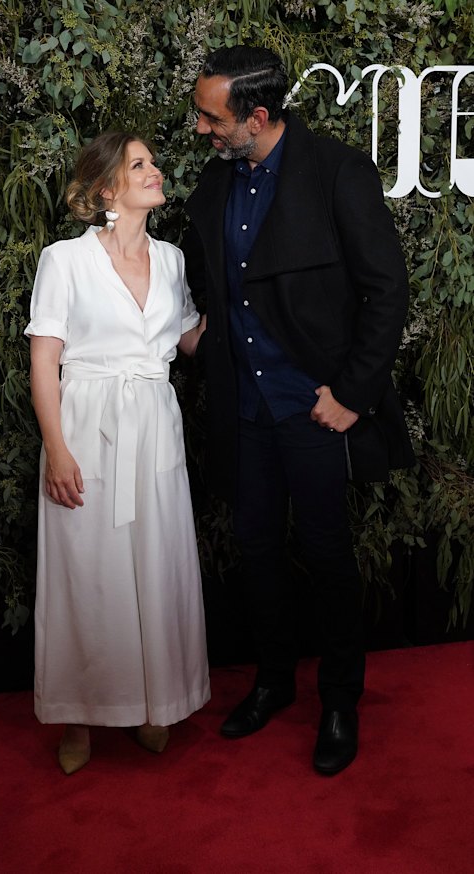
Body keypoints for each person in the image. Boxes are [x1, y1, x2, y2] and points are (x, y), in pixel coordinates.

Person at [182, 46, 414, 775]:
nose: (199, 129)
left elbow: (387, 290)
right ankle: (274, 681)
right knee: (254, 549)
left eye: (211, 118)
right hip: (243, 408)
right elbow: (211, 285)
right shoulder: (213, 185)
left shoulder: (337, 171)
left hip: (312, 409)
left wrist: (351, 394)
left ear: (256, 116)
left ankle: (339, 701)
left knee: (326, 554)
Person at [25, 131, 210, 775]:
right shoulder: (65, 260)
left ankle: (156, 704)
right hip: (85, 428)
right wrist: (56, 448)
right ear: (108, 188)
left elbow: (190, 340)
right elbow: (44, 360)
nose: (155, 170)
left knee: (157, 568)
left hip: (155, 427)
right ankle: (78, 715)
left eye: (151, 162)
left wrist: (260, 302)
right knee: (86, 574)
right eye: (139, 165)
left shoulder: (173, 260)